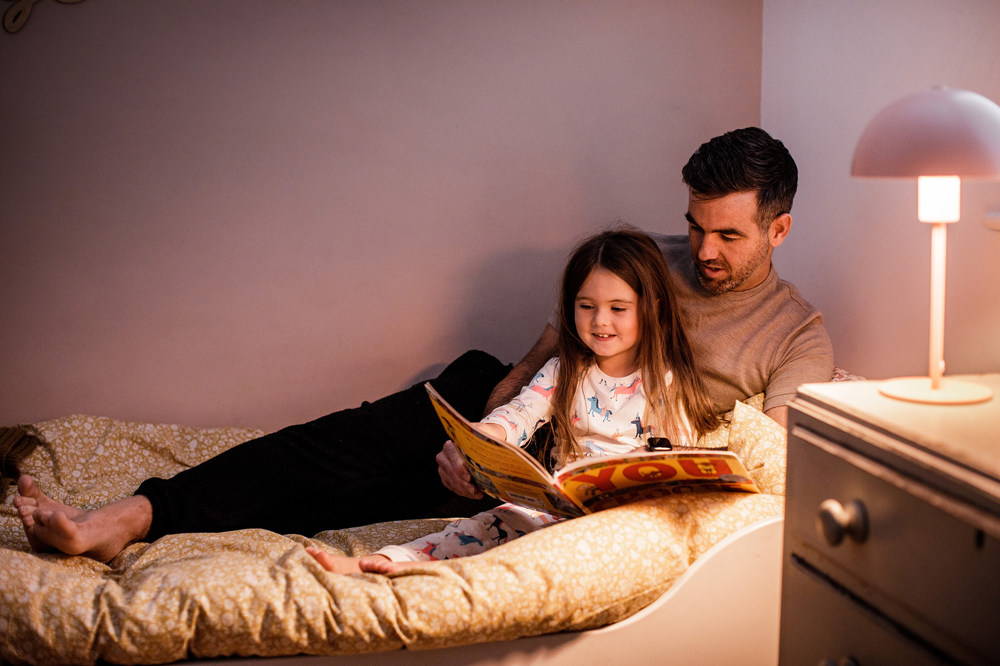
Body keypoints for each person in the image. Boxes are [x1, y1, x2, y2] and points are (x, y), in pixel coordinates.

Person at [14, 126, 833, 562]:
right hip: (519, 412)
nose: (705, 249)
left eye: (727, 233)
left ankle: (183, 526)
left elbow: (773, 453)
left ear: (780, 228)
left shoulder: (796, 335)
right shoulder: (651, 257)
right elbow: (555, 339)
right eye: (696, 225)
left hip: (585, 461)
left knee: (336, 508)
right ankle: (130, 513)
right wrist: (489, 425)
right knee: (331, 446)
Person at [306, 228, 719, 574]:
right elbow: (518, 414)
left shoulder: (667, 383)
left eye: (618, 308)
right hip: (558, 511)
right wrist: (483, 437)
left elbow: (678, 459)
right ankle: (388, 563)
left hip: (626, 521)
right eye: (586, 306)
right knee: (484, 525)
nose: (600, 321)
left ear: (652, 309)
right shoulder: (565, 371)